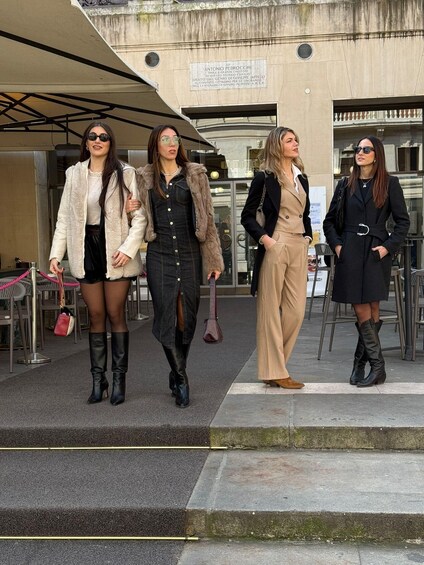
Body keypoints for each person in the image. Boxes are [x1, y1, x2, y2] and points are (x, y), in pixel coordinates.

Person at [49, 121, 146, 405]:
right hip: (85, 248)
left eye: (103, 136)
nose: (97, 140)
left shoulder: (125, 173)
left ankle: (118, 380)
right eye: (92, 136)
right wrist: (56, 254)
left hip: (116, 249)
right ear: (86, 142)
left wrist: (128, 249)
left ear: (110, 142)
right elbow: (64, 218)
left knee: (115, 314)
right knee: (95, 316)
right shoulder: (74, 174)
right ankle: (97, 380)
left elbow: (139, 218)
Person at [133, 125, 223, 408]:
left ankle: (175, 370)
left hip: (189, 253)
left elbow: (208, 217)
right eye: (165, 139)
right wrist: (128, 209)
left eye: (175, 139)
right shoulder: (143, 177)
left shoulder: (195, 175)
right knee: (166, 316)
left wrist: (214, 259)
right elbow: (138, 213)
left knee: (187, 319)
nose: (172, 144)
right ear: (155, 145)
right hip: (159, 254)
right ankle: (182, 378)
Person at [323, 135, 410, 387]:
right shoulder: (344, 184)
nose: (360, 152)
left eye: (366, 149)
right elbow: (329, 222)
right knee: (361, 307)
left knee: (372, 308)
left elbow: (403, 222)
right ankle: (377, 367)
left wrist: (386, 248)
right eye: (358, 149)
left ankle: (361, 365)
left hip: (375, 251)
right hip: (350, 250)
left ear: (376, 155)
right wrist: (338, 247)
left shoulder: (390, 183)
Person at [240, 126, 312, 389]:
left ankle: (274, 367)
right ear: (276, 146)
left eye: (296, 139)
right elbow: (247, 216)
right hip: (276, 243)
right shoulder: (264, 178)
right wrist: (267, 241)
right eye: (289, 140)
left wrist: (307, 238)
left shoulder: (302, 178)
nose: (295, 143)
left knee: (296, 311)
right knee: (269, 311)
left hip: (298, 244)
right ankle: (276, 371)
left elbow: (305, 215)